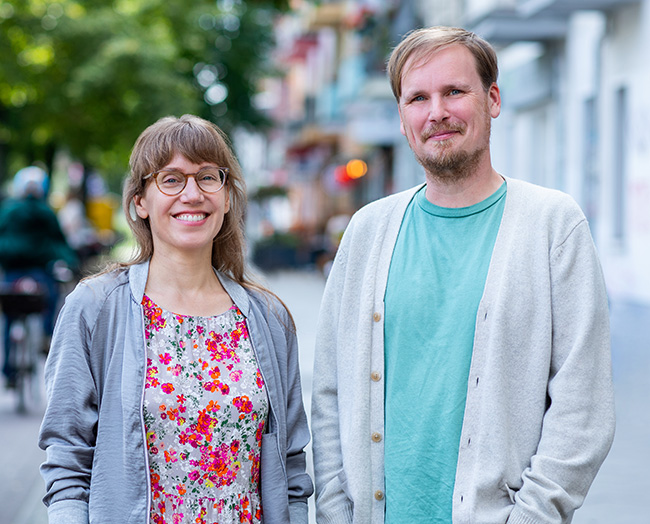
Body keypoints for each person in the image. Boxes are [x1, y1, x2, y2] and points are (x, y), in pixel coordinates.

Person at [311, 26, 615, 524]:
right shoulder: (367, 232)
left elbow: (584, 407)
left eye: (454, 91)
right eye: (418, 98)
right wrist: (336, 511)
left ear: (492, 99)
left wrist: (532, 515)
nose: (437, 113)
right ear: (402, 117)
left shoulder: (552, 224)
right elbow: (329, 395)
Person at [38, 115, 313, 524]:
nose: (192, 193)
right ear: (140, 202)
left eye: (207, 177)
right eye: (170, 179)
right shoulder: (96, 308)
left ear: (226, 197)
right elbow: (67, 457)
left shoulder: (268, 318)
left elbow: (290, 464)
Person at [0, 166, 77, 388]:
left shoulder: (8, 210)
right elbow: (59, 241)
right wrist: (71, 262)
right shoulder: (46, 212)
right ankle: (46, 336)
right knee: (48, 299)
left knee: (10, 312)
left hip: (12, 270)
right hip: (39, 269)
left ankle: (8, 371)